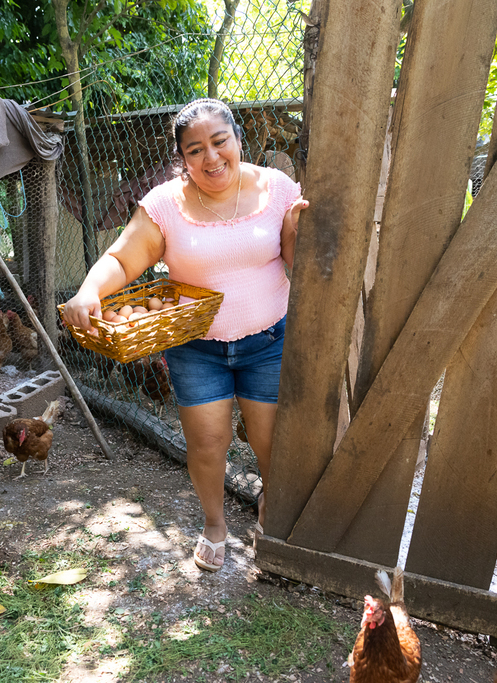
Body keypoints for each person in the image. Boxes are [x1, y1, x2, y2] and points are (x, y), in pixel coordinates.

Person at [63, 98, 308, 571]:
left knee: (272, 443)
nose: (211, 158)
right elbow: (121, 258)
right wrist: (89, 290)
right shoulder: (165, 205)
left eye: (220, 142)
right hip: (197, 349)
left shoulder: (276, 189)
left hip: (268, 343)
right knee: (208, 443)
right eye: (195, 150)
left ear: (237, 139)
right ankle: (215, 525)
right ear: (182, 158)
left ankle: (271, 515)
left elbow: (295, 265)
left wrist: (295, 230)